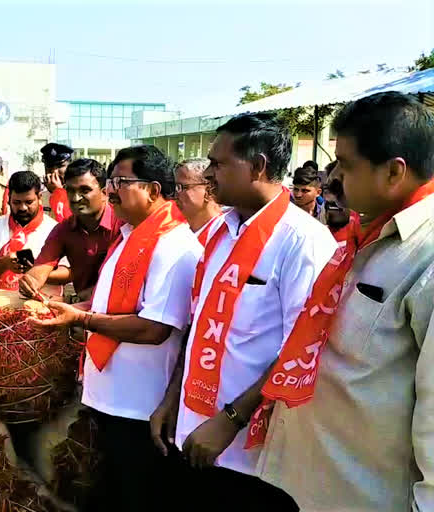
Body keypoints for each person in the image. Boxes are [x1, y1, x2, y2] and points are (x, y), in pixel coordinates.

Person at [256, 92, 434, 511]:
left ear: (394, 172)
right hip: (311, 479)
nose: (332, 176)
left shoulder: (424, 257)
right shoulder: (361, 234)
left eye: (346, 165)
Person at [151, 113, 338, 509]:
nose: (209, 175)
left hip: (246, 454)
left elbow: (300, 351)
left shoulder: (302, 241)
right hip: (194, 430)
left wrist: (229, 421)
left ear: (257, 166)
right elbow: (201, 324)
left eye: (218, 164)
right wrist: (172, 399)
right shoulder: (220, 231)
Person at [32, 145, 203, 512]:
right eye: (110, 181)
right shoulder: (130, 235)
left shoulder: (175, 246)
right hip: (111, 400)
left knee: (137, 497)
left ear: (154, 190)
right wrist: (67, 310)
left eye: (121, 182)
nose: (110, 191)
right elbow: (108, 305)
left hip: (140, 408)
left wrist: (81, 319)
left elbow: (155, 328)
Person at [19, 158, 121, 302]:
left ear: (105, 193)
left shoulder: (123, 225)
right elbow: (41, 268)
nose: (75, 198)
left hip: (122, 310)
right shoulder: (63, 230)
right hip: (82, 310)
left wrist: (91, 295)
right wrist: (30, 281)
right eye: (70, 190)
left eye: (85, 190)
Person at [0, 171, 69, 296]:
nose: (23, 208)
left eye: (29, 202)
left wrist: (36, 273)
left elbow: (68, 273)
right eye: (17, 202)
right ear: (9, 199)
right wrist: (4, 263)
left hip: (42, 306)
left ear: (40, 197)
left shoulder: (55, 229)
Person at [173, 157, 223, 242]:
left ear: (209, 191)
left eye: (181, 187)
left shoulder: (223, 236)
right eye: (176, 187)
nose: (175, 194)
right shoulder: (177, 233)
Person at [40, 142, 74, 221]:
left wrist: (57, 192)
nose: (54, 171)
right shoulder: (38, 195)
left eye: (60, 166)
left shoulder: (77, 194)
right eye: (49, 166)